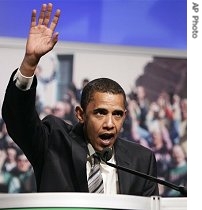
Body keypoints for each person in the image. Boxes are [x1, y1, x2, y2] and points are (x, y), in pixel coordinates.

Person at [1, 3, 159, 195]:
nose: (110, 123)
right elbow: (18, 119)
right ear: (80, 114)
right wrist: (29, 63)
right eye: (100, 112)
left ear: (125, 116)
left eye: (117, 114)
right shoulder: (54, 142)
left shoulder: (141, 160)